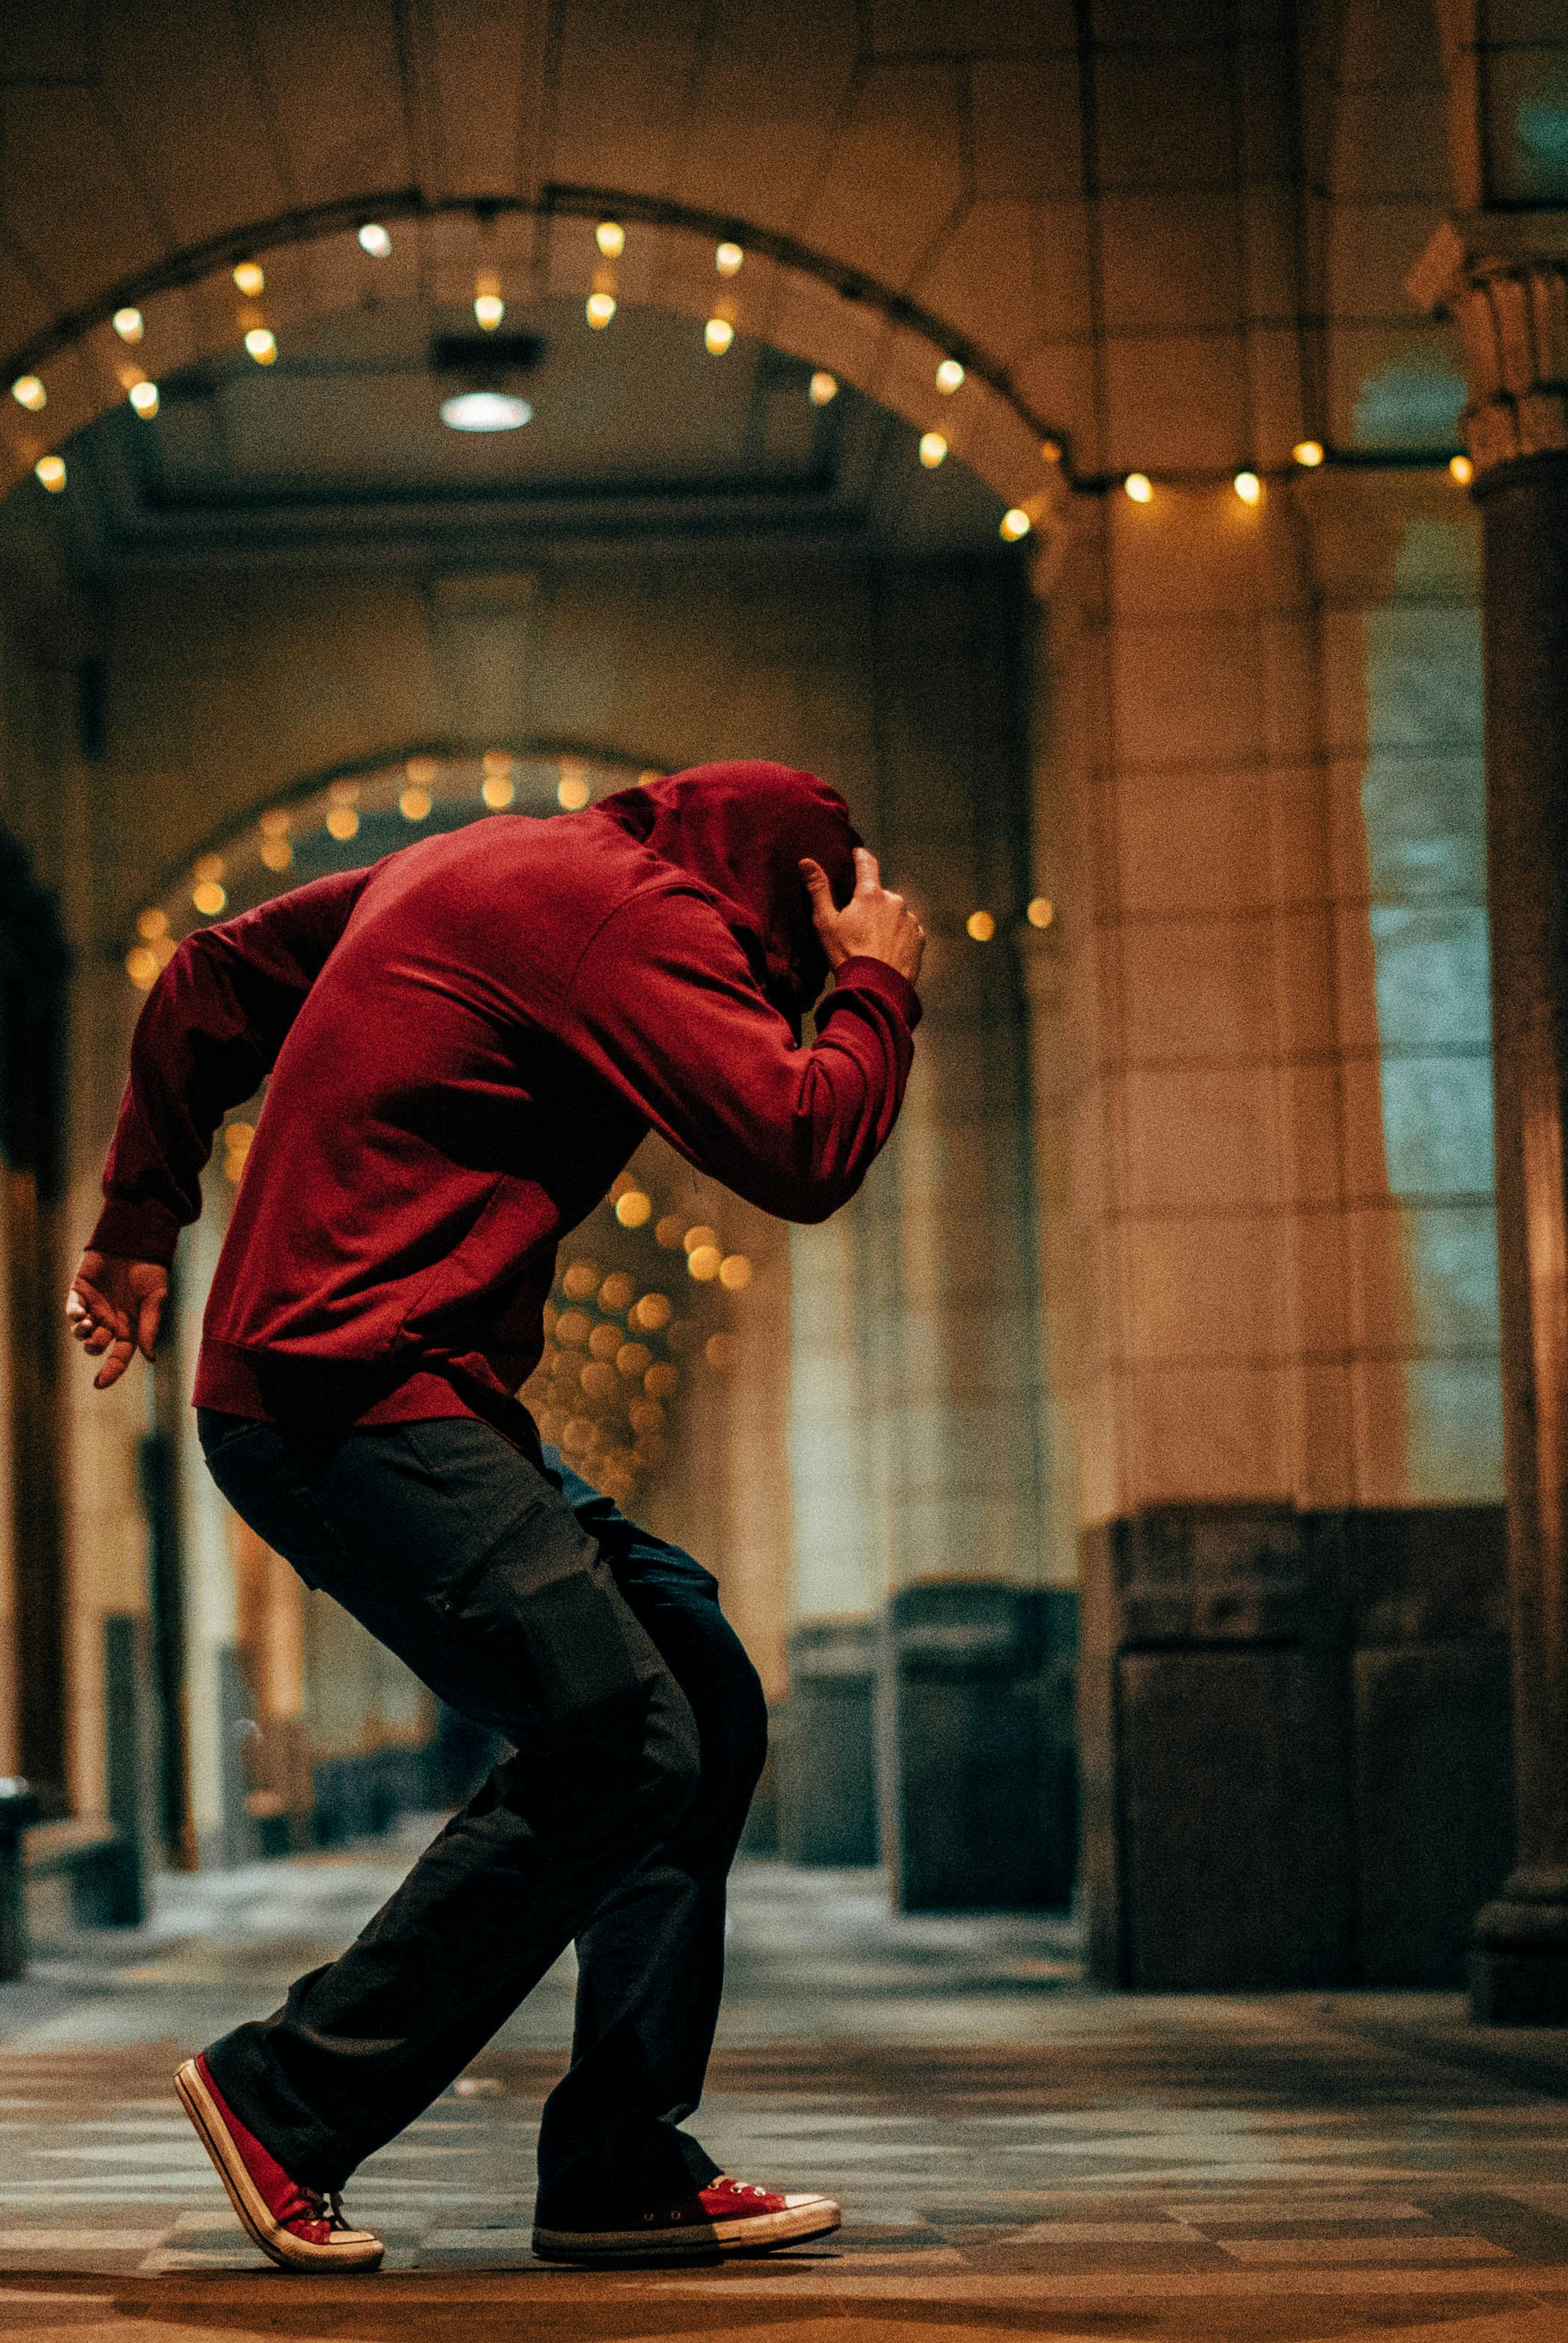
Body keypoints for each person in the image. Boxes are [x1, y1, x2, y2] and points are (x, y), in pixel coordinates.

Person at [68, 760, 927, 2272]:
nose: (773, 997)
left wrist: (142, 1211)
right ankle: (287, 2093)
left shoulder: (489, 863)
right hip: (343, 1400)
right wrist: (871, 993)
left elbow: (207, 977)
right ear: (787, 897)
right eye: (787, 967)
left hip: (395, 1395)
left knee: (698, 1687)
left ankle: (616, 2161)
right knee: (614, 1731)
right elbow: (802, 1142)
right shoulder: (637, 919)